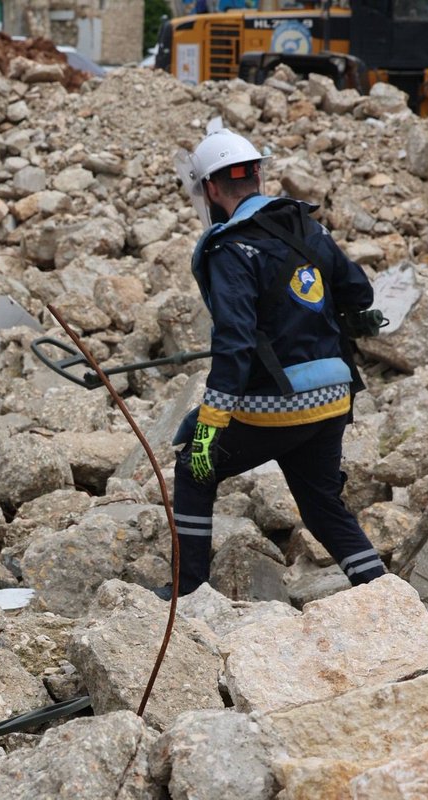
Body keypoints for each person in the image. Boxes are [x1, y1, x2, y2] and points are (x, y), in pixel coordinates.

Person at [157, 122, 387, 600]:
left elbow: (235, 343)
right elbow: (357, 292)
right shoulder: (308, 228)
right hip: (333, 399)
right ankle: (385, 593)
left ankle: (188, 592)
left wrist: (210, 425)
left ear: (211, 188)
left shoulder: (229, 247)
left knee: (194, 468)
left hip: (278, 406)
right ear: (258, 177)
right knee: (322, 505)